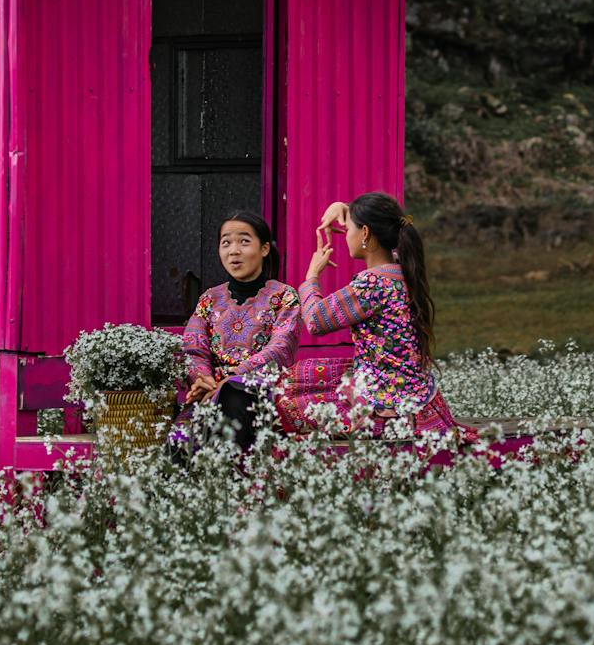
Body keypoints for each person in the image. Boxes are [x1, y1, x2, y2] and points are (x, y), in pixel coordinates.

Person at [290, 192, 475, 441]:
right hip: (419, 402)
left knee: (285, 393)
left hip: (385, 406)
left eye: (349, 230)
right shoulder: (402, 270)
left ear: (365, 233)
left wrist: (312, 275)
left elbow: (314, 320)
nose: (345, 237)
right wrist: (343, 207)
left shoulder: (371, 284)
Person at [170, 212, 300, 453]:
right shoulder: (210, 298)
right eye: (226, 242)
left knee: (233, 398)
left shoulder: (284, 296)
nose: (233, 251)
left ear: (263, 249)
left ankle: (224, 483)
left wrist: (233, 377)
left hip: (257, 392)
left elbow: (280, 349)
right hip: (210, 393)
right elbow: (193, 348)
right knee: (179, 443)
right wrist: (202, 379)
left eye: (244, 241)